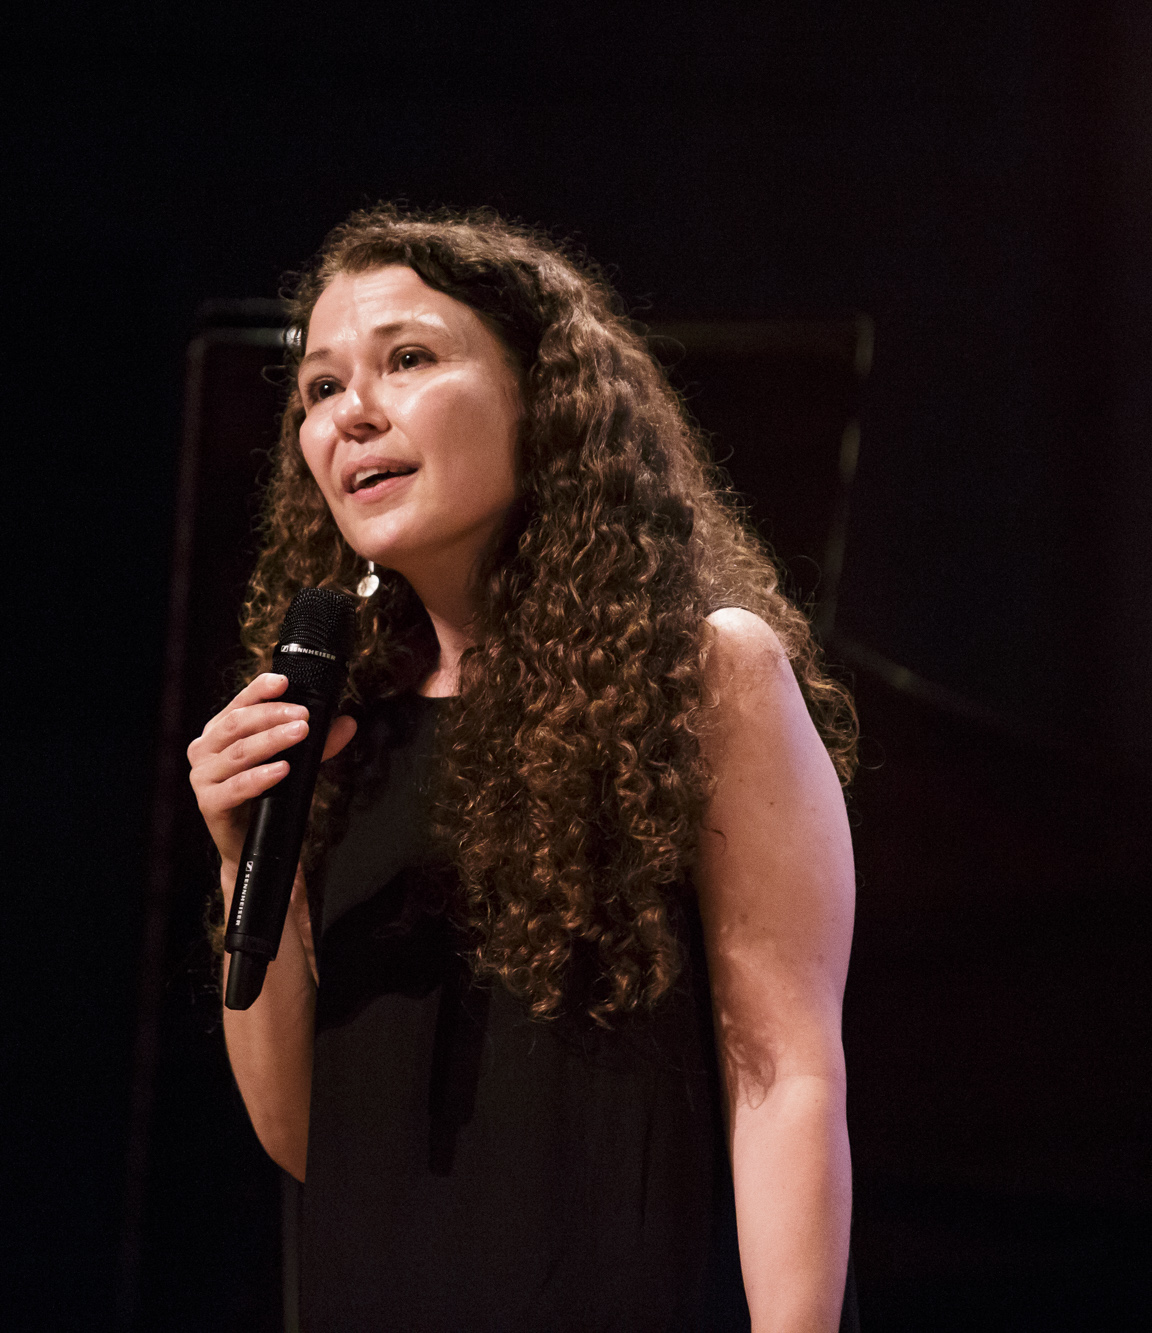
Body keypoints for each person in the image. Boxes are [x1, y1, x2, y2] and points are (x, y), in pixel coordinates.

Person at [187, 206, 859, 1331]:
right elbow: (307, 1135)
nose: (352, 413)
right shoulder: (338, 726)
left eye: (408, 359)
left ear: (542, 395)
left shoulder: (702, 672)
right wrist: (247, 862)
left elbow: (785, 1069)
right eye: (320, 387)